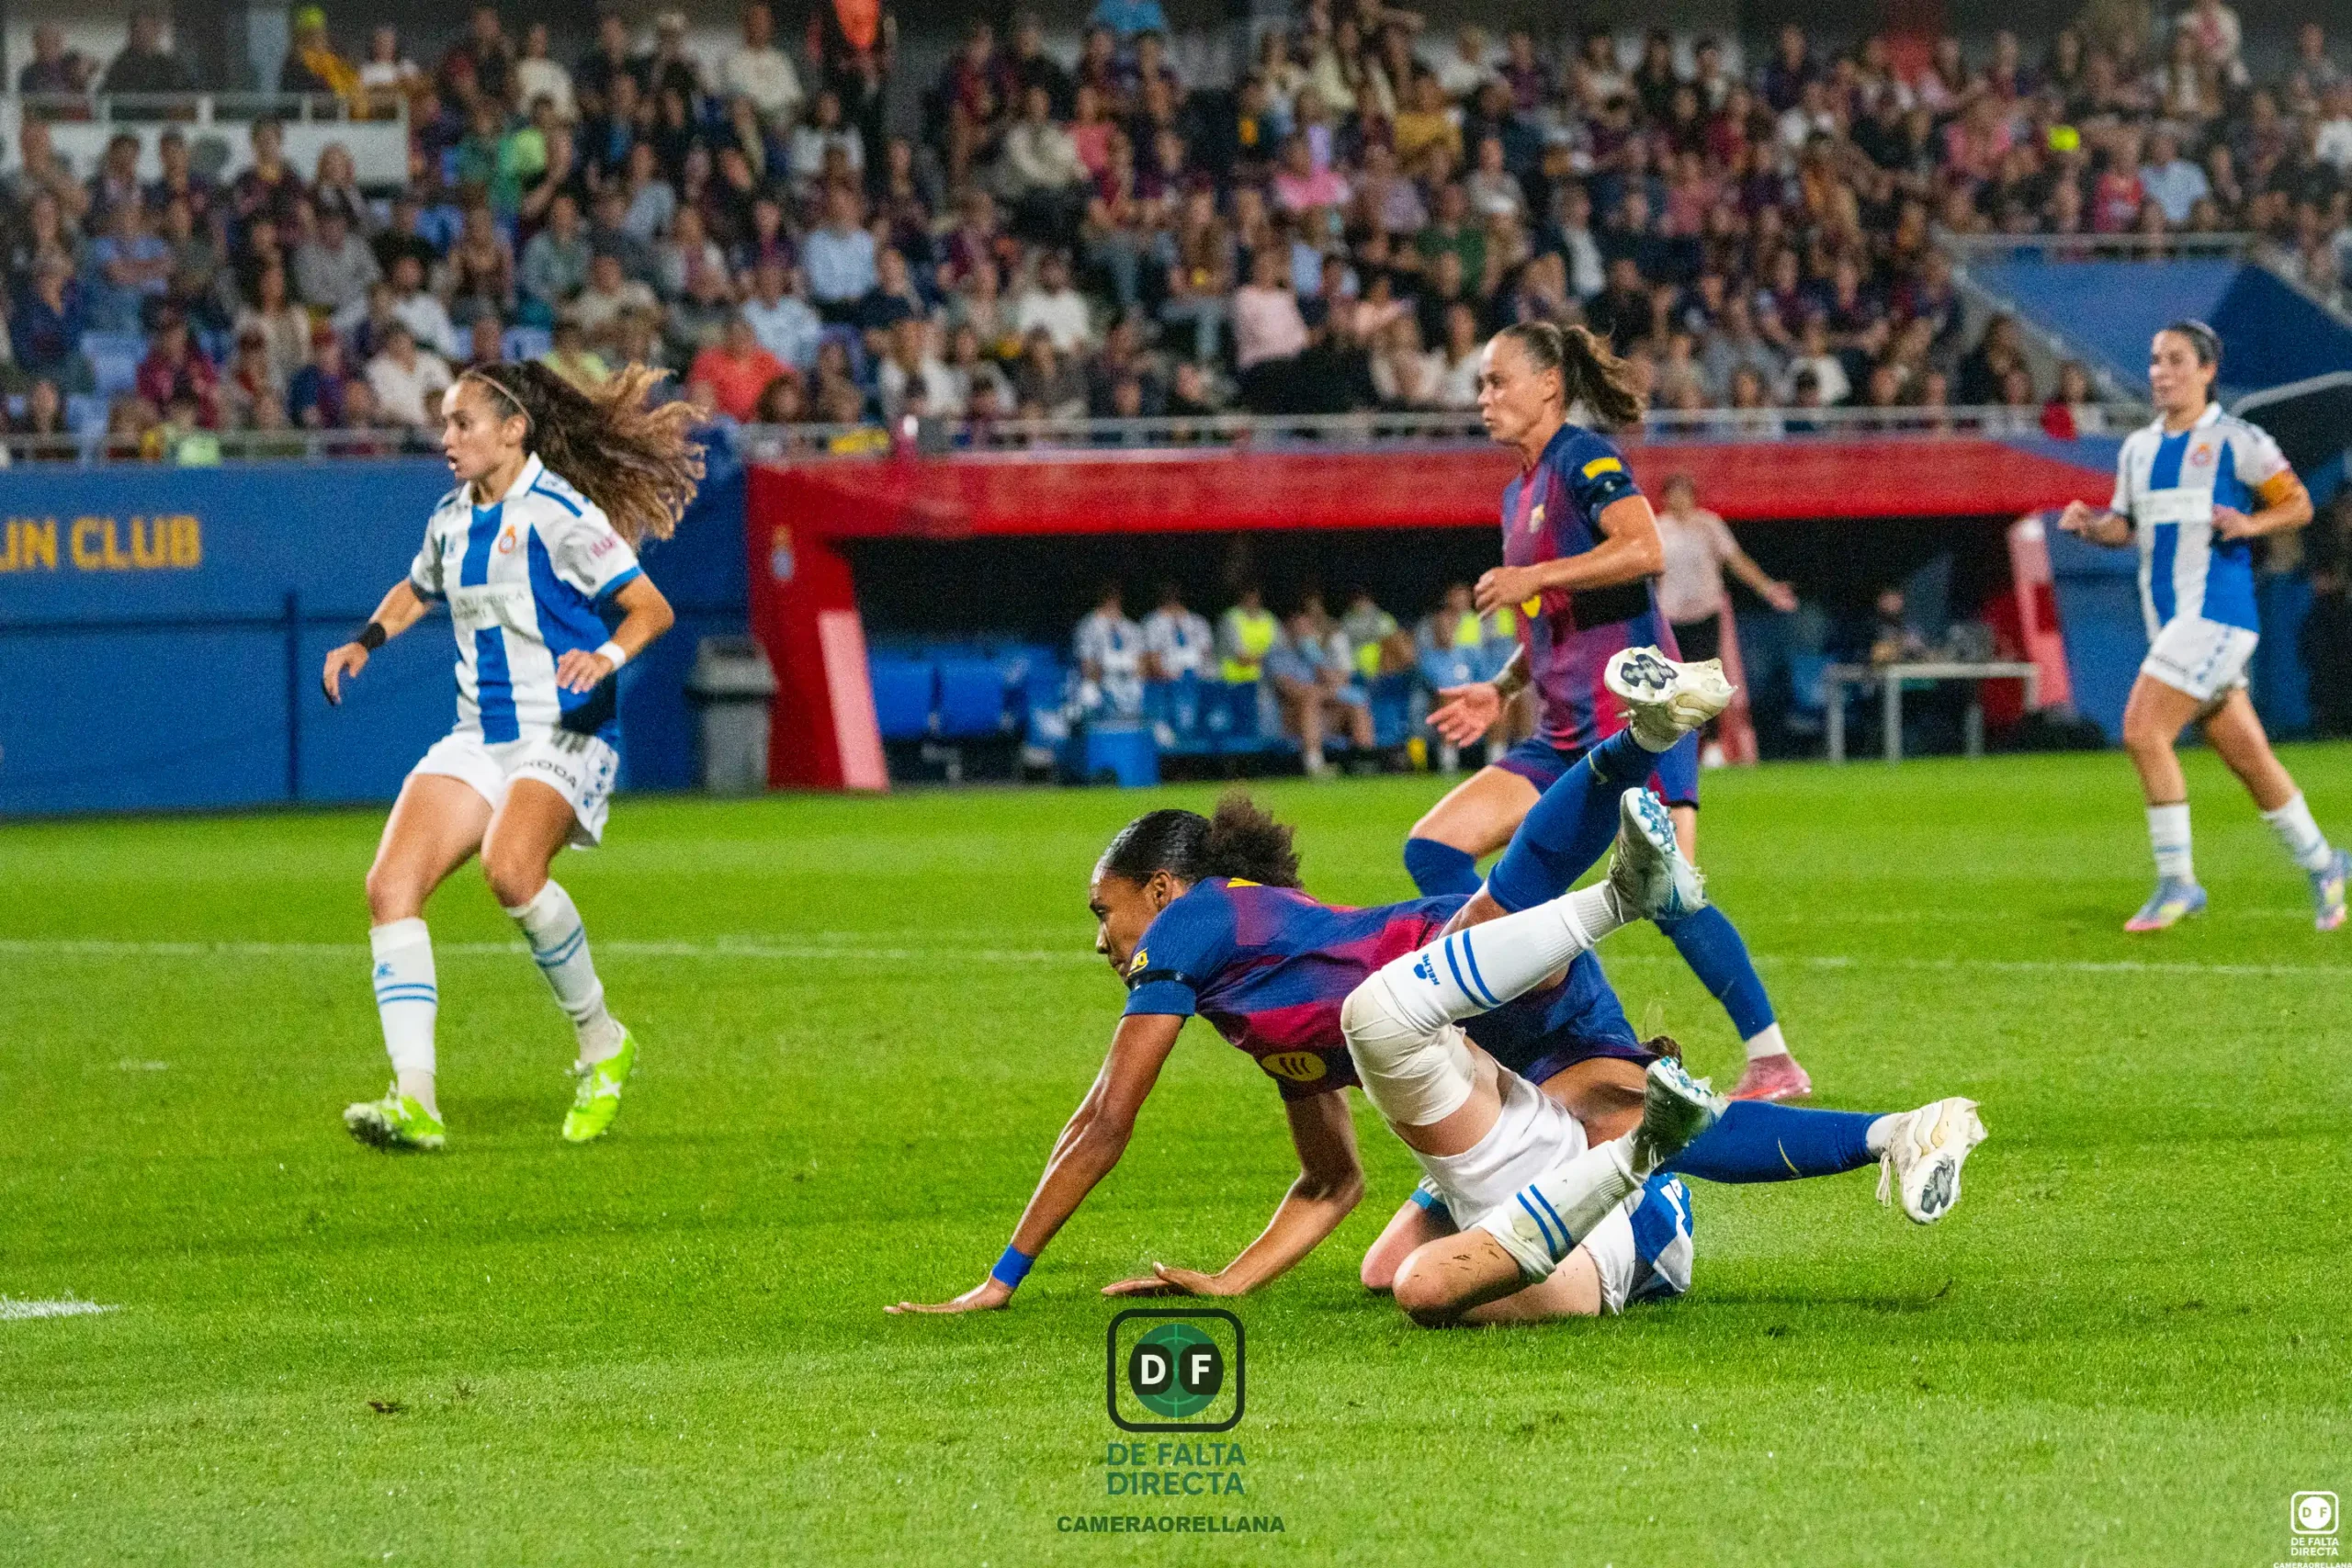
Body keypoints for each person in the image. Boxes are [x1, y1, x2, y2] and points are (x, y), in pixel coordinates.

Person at [888, 760, 1984, 1317]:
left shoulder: (1192, 922)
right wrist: (1231, 1283)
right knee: (1395, 1266)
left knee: (1514, 985)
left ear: (1162, 889)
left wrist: (1005, 1274)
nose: (1102, 937)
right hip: (1454, 1026)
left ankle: (1624, 776)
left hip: (1453, 980)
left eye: (1104, 909)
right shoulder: (1247, 1000)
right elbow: (1328, 1182)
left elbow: (1102, 1121)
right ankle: (1888, 1132)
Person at [1403, 322, 1813, 1102]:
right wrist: (1501, 688)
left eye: (1497, 382)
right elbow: (1551, 614)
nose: (1483, 397)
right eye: (1481, 385)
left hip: (1631, 726)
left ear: (1549, 386)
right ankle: (1532, 976)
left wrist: (1537, 575)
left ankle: (1772, 1058)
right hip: (1558, 731)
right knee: (1434, 847)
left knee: (1665, 891)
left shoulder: (1583, 457)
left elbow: (1643, 549)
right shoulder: (1515, 490)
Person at [320, 362, 704, 1151]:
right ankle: (415, 1099)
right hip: (480, 736)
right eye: (446, 424)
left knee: (510, 868)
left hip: (566, 733)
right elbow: (417, 586)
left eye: (462, 423)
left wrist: (603, 656)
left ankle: (602, 1040)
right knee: (391, 885)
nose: (447, 438)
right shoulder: (452, 519)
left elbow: (650, 608)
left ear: (513, 429)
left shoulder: (562, 513)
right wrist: (365, 640)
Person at [2057, 321, 2347, 932]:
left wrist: (2251, 526)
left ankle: (2177, 880)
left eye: (2177, 359)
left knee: (2142, 730)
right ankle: (2326, 865)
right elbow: (2127, 527)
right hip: (2173, 622)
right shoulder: (2137, 449)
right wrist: (2093, 525)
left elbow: (2297, 502)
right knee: (2249, 757)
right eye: (2156, 359)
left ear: (2208, 369)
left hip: (2218, 615)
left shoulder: (2238, 440)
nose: (2162, 371)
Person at [1652, 472, 1797, 671]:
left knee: (1702, 677)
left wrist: (1767, 587)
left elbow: (1735, 560)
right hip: (1671, 615)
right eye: (1674, 494)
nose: (1679, 499)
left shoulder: (1709, 524)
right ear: (1664, 498)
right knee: (1671, 675)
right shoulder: (1657, 527)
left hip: (1705, 612)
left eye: (1684, 493)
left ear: (1693, 497)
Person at [1073, 580, 1147, 720]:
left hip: (1127, 685)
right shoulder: (1088, 626)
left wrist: (1125, 673)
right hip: (1100, 683)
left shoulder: (1131, 628)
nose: (1112, 597)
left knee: (1136, 688)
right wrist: (1108, 673)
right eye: (1108, 593)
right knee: (1087, 692)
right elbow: (1086, 667)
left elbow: (1141, 668)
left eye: (1115, 593)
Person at [1141, 581, 1214, 682]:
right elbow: (1153, 660)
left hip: (1198, 680)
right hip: (1168, 682)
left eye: (1175, 592)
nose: (1172, 595)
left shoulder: (1198, 622)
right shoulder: (1152, 623)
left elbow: (1207, 655)